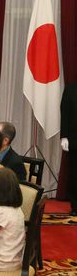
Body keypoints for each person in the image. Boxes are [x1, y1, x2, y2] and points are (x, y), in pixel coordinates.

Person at [61, 83, 77, 216]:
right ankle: (76, 206)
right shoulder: (70, 90)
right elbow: (64, 114)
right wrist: (64, 136)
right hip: (74, 140)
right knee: (75, 175)